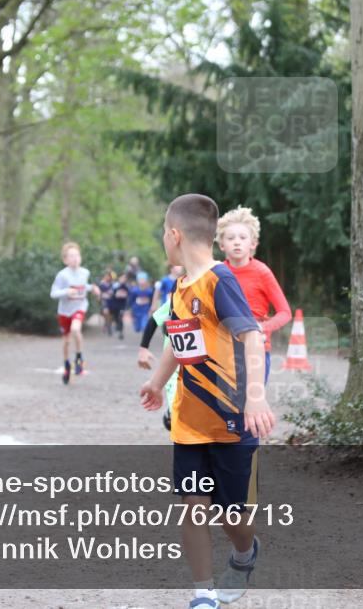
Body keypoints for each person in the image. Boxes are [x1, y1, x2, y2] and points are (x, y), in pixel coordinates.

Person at [139, 193, 275, 609]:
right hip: (189, 423)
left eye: (164, 235)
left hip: (232, 419)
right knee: (193, 508)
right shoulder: (180, 287)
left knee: (232, 518)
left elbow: (251, 335)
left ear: (175, 235)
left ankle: (243, 552)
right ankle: (203, 592)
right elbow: (178, 343)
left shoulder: (221, 280)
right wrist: (157, 382)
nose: (164, 241)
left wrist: (255, 399)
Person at [217, 206, 292, 381]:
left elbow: (285, 312)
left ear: (253, 244)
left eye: (243, 237)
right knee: (225, 406)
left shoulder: (262, 272)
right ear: (221, 245)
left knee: (252, 403)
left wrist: (262, 328)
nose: (237, 242)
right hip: (223, 350)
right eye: (230, 238)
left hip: (256, 349)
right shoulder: (216, 273)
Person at [49, 242, 100, 384]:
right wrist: (66, 292)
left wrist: (93, 288)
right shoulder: (62, 275)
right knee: (66, 341)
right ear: (65, 260)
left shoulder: (85, 272)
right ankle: (66, 364)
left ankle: (79, 358)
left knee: (76, 329)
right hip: (65, 311)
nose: (75, 258)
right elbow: (53, 293)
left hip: (80, 307)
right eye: (71, 256)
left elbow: (83, 287)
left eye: (77, 255)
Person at [137, 297, 179, 430]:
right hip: (173, 367)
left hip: (201, 365)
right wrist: (143, 349)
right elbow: (154, 319)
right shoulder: (180, 294)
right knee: (175, 417)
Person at [108, 271, 130, 340]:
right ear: (119, 278)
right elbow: (111, 294)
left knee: (120, 317)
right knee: (115, 317)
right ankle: (112, 327)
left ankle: (120, 332)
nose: (123, 279)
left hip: (122, 305)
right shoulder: (115, 285)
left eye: (124, 278)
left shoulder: (127, 286)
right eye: (122, 278)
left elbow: (129, 295)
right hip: (114, 305)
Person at [97, 271, 115, 336]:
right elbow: (98, 293)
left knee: (110, 314)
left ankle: (108, 324)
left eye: (108, 276)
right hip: (104, 301)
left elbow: (114, 292)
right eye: (106, 276)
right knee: (105, 312)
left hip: (111, 301)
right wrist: (99, 297)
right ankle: (108, 325)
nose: (107, 277)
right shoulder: (101, 284)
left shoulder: (112, 284)